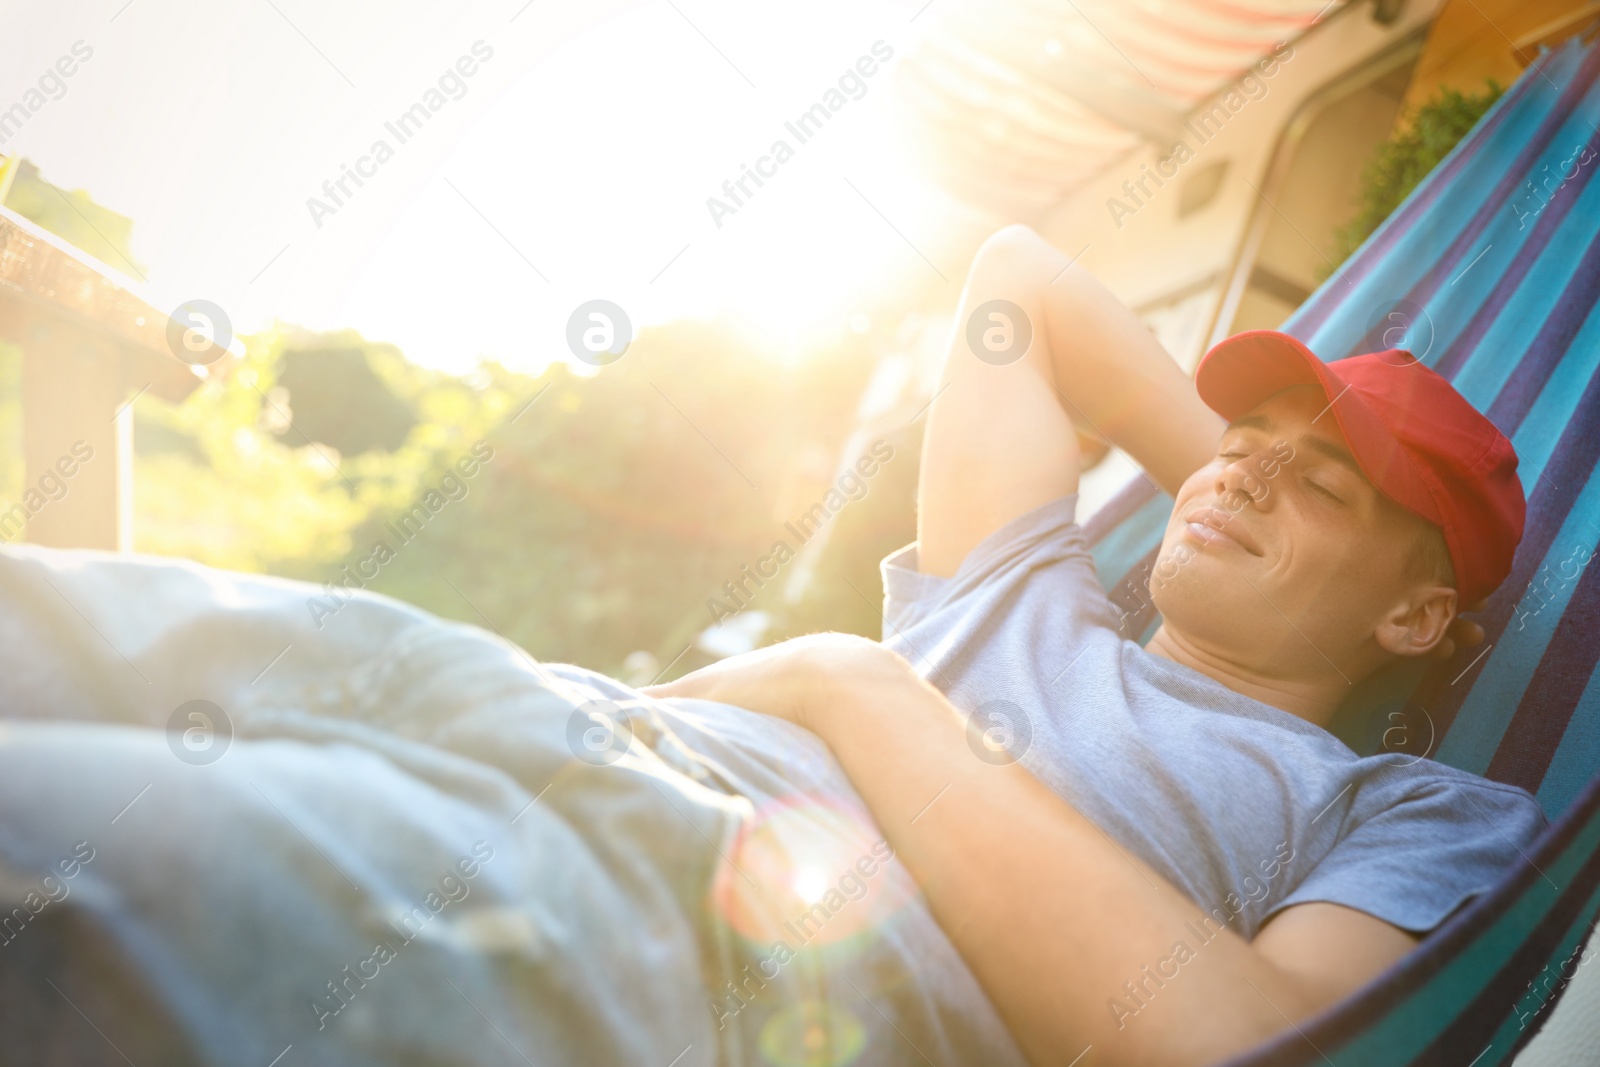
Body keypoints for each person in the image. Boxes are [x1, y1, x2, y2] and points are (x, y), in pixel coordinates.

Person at [646, 224, 1547, 1066]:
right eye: (1238, 443)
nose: (1240, 474)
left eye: (1324, 486)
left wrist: (846, 686)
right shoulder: (1012, 592)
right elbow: (1017, 275)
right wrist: (1244, 496)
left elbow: (1264, 1044)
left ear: (1415, 619)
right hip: (616, 781)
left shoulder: (1411, 813)